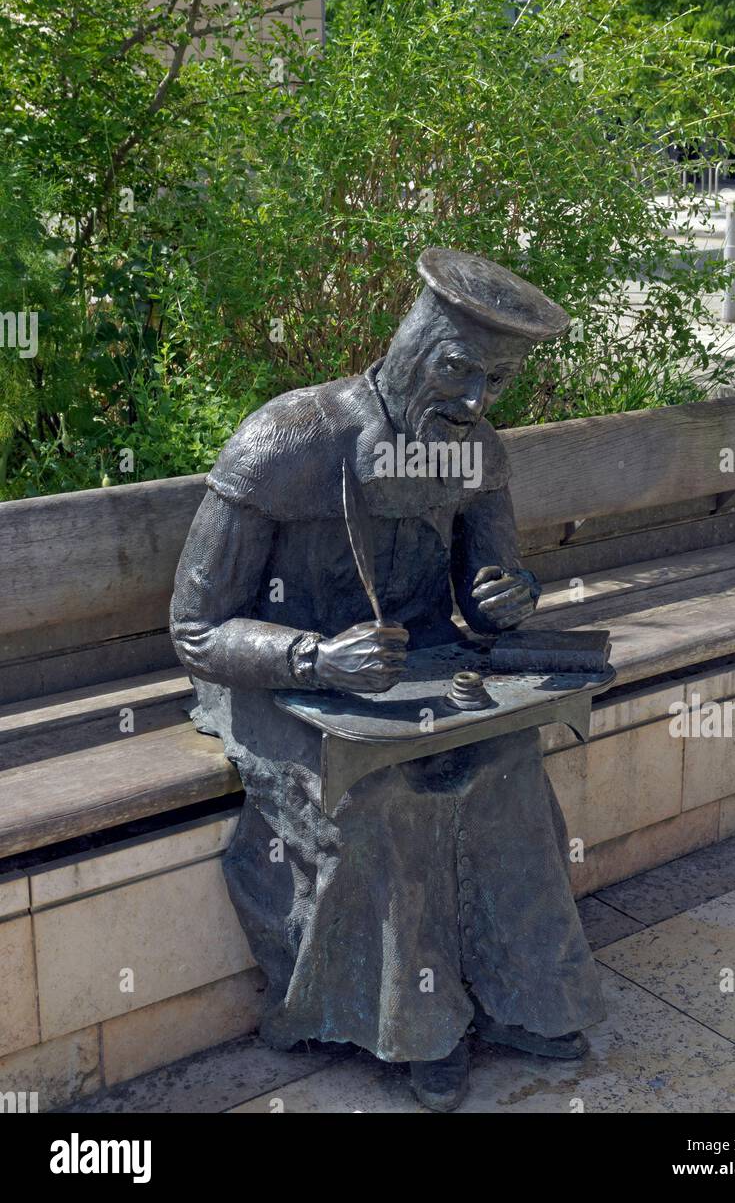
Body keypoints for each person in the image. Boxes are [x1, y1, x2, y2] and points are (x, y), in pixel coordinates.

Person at [170, 248, 605, 1111]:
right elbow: (194, 628)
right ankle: (418, 1030)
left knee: (508, 771)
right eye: (459, 370)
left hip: (421, 681)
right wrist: (312, 658)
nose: (476, 402)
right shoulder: (286, 439)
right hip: (275, 686)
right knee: (388, 801)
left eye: (497, 383)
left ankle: (529, 1001)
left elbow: (486, 601)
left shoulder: (473, 450)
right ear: (414, 345)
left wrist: (506, 597)